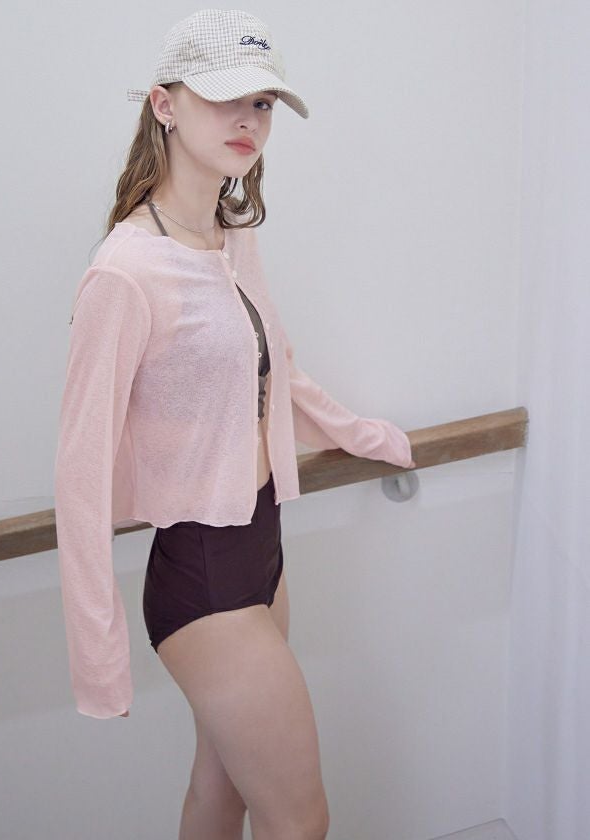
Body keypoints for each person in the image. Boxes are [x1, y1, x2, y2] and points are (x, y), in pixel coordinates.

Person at [54, 9, 416, 840]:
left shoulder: (228, 239)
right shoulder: (125, 273)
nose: (249, 119)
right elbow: (79, 471)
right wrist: (99, 656)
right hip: (204, 575)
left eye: (262, 103)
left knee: (219, 796)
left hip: (261, 543)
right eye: (225, 98)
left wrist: (360, 434)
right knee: (301, 821)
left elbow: (273, 369)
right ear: (164, 104)